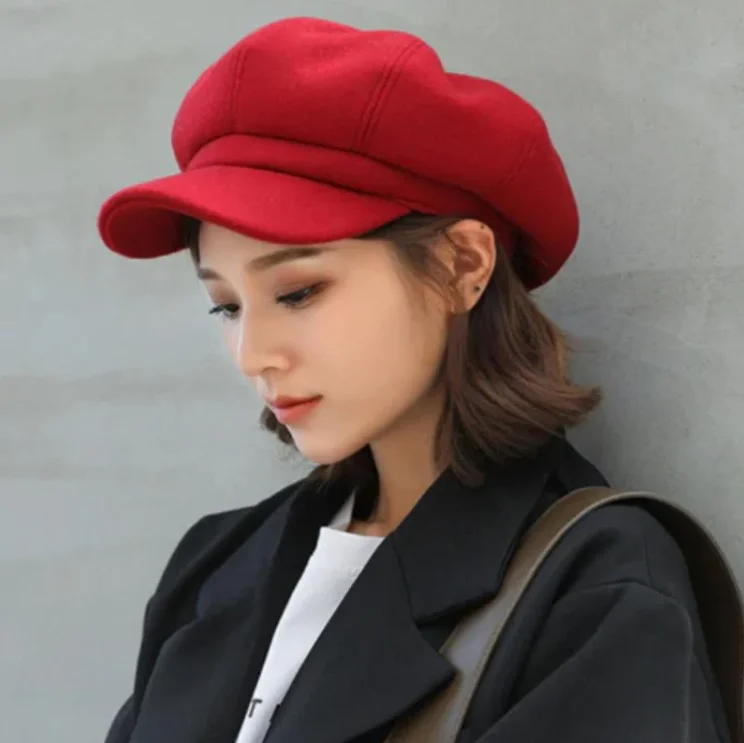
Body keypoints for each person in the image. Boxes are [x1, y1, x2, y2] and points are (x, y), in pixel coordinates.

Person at [96, 16, 729, 743]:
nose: (251, 353)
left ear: (462, 266)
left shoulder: (595, 587)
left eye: (298, 291)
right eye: (227, 305)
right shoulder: (216, 561)